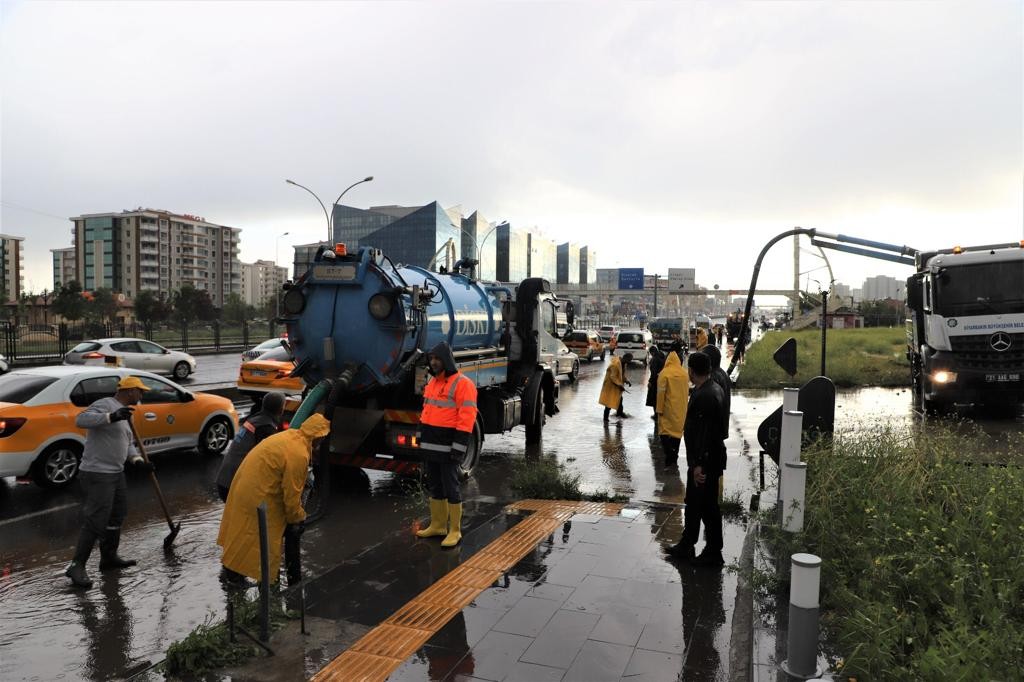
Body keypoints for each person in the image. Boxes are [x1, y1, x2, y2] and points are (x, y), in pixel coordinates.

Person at [217, 413, 331, 585]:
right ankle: (267, 588)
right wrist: (297, 519)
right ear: (318, 438)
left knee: (242, 537)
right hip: (260, 497)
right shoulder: (299, 454)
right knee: (264, 543)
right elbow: (291, 496)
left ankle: (233, 576)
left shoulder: (287, 436)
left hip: (244, 489)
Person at [64, 375, 155, 589]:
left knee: (117, 515)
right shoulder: (105, 405)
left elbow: (128, 443)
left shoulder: (125, 415)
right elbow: (81, 420)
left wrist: (138, 460)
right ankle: (76, 566)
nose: (142, 395)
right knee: (96, 520)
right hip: (97, 473)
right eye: (140, 391)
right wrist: (111, 417)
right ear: (130, 390)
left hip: (116, 473)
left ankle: (109, 558)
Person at [665, 352, 727, 567]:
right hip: (709, 460)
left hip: (705, 463)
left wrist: (699, 464)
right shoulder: (712, 389)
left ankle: (711, 551)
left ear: (691, 371)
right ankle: (689, 544)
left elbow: (705, 433)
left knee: (706, 507)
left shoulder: (705, 396)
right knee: (697, 504)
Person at [415, 341, 478, 548]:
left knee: (452, 487)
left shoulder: (463, 384)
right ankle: (438, 525)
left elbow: (466, 418)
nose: (433, 363)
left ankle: (455, 530)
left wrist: (458, 448)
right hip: (431, 445)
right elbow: (426, 413)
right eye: (431, 359)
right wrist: (420, 438)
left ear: (446, 360)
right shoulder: (432, 383)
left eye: (437, 359)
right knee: (435, 485)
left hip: (448, 446)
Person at [215, 392, 286, 502]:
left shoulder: (255, 419)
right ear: (281, 410)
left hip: (225, 479)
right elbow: (274, 459)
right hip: (234, 484)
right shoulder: (266, 427)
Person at [701, 344, 732, 502]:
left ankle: (714, 500)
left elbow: (710, 409)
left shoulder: (713, 378)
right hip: (720, 430)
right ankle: (717, 498)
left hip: (713, 433)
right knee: (716, 471)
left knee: (710, 473)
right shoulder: (723, 374)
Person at [656, 341, 689, 468]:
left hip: (667, 410)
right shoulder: (684, 374)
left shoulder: (664, 374)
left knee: (664, 434)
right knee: (676, 436)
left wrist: (659, 409)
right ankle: (674, 459)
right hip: (680, 411)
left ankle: (669, 460)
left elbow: (660, 394)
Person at [599, 353, 633, 422]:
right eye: (629, 360)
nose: (630, 362)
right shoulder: (615, 364)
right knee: (609, 402)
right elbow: (613, 377)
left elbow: (621, 375)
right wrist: (620, 385)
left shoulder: (623, 364)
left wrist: (626, 381)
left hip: (616, 385)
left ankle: (619, 413)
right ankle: (605, 418)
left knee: (620, 399)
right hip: (610, 386)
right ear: (625, 358)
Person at [645, 345, 666, 420]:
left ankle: (656, 415)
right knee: (660, 398)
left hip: (655, 381)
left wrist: (650, 381)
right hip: (663, 380)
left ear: (652, 352)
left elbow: (654, 372)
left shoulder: (655, 359)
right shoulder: (663, 357)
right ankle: (660, 414)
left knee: (654, 399)